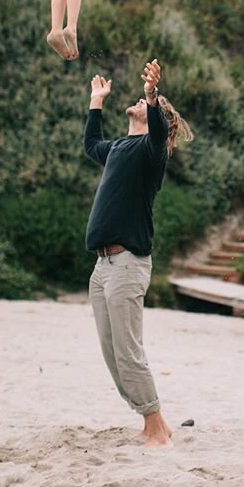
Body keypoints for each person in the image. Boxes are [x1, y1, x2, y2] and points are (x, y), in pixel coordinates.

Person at [84, 58, 193, 447]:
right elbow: (90, 144)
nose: (135, 101)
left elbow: (158, 130)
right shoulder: (118, 147)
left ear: (154, 116)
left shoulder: (151, 153)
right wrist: (96, 102)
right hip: (102, 266)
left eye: (145, 104)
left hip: (128, 262)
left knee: (129, 350)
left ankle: (155, 425)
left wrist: (151, 95)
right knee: (112, 352)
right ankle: (154, 422)